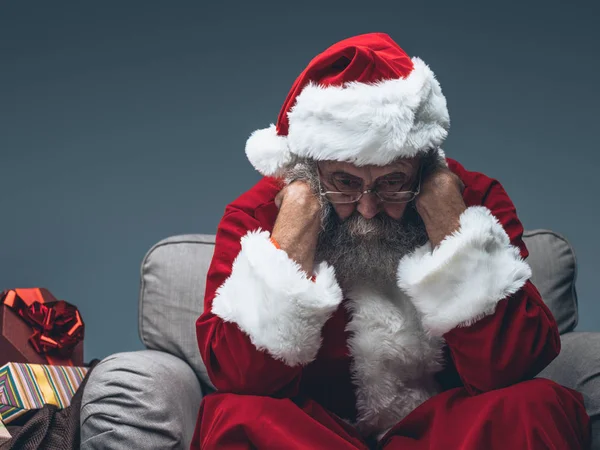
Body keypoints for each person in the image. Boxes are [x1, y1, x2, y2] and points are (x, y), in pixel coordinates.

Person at [191, 32, 590, 449]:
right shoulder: (261, 214)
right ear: (309, 169)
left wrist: (454, 232)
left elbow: (512, 365)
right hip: (315, 434)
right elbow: (238, 377)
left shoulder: (472, 200)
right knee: (235, 414)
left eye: (393, 182)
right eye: (344, 182)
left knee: (534, 404)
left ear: (422, 166)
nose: (368, 208)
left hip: (445, 431)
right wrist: (291, 235)